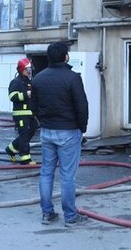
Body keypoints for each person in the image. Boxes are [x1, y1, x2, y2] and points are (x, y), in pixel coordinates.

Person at [31, 42, 89, 227]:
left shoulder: (38, 79)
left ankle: (47, 213)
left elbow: (34, 107)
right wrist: (82, 128)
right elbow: (82, 106)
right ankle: (70, 216)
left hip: (47, 131)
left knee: (46, 173)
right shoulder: (72, 78)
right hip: (68, 131)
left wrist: (44, 122)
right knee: (67, 175)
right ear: (65, 57)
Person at [5, 58, 37, 165]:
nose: (29, 71)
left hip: (30, 114)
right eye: (27, 69)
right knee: (24, 135)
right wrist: (25, 95)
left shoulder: (30, 82)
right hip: (21, 114)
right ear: (21, 69)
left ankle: (11, 148)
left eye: (30, 69)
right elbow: (12, 96)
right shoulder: (16, 82)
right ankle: (25, 159)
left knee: (30, 132)